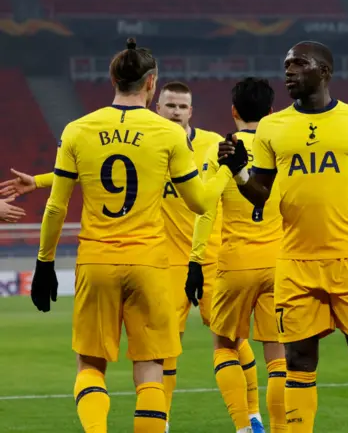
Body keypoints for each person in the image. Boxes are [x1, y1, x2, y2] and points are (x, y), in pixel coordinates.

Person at [0, 81, 261, 432]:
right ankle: (161, 422)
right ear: (157, 105)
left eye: (183, 107)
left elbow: (229, 192)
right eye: (170, 105)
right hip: (161, 262)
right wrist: (42, 180)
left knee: (230, 339)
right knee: (161, 355)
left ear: (191, 111)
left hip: (207, 259)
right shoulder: (154, 142)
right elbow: (104, 172)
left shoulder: (213, 144)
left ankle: (252, 419)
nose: (176, 112)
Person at [218, 41, 348, 433]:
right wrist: (239, 172)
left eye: (298, 64)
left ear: (324, 72)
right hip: (294, 262)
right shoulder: (272, 128)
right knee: (297, 361)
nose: (289, 72)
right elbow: (260, 193)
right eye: (285, 65)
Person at [188, 77, 285, 433]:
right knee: (278, 357)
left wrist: (196, 260)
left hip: (234, 263)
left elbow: (206, 209)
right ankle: (279, 428)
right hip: (278, 262)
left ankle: (244, 427)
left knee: (225, 345)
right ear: (272, 111)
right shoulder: (280, 147)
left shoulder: (222, 151)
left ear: (233, 111)